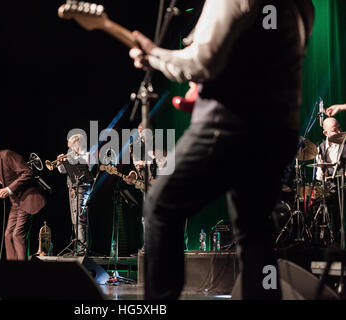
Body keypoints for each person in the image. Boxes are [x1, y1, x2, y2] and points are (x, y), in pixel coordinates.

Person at [129, 0, 314, 299]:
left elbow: (201, 63)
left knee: (161, 205)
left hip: (228, 123)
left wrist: (155, 58)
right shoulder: (300, 6)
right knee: (254, 232)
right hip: (278, 130)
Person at [0, 136, 46, 261]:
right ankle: (12, 271)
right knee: (8, 235)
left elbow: (27, 173)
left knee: (17, 235)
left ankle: (23, 272)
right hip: (16, 204)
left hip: (27, 200)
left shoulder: (6, 155)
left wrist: (9, 189)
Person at [57, 134, 91, 255]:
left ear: (78, 144)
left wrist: (73, 158)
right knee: (74, 219)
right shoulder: (71, 156)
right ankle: (78, 247)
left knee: (80, 218)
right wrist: (61, 163)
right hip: (72, 188)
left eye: (72, 147)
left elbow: (88, 168)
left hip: (83, 188)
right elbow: (62, 171)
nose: (71, 149)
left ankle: (83, 249)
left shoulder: (87, 155)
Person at [315, 117, 345, 247]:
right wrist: (321, 170)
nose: (339, 131)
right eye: (334, 130)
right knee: (331, 210)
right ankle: (333, 239)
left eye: (339, 127)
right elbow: (319, 176)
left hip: (344, 185)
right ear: (326, 133)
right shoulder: (320, 148)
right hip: (331, 188)